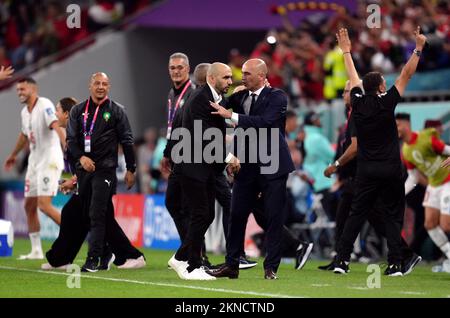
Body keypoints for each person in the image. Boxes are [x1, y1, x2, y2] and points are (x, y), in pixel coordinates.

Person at [333, 27, 427, 276]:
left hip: (366, 169)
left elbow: (353, 77)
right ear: (382, 86)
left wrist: (346, 51)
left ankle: (342, 261)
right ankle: (395, 263)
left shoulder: (358, 103)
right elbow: (406, 74)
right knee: (392, 216)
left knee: (356, 215)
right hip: (390, 169)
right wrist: (418, 48)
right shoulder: (388, 102)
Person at [319, 82, 420, 275]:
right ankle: (342, 257)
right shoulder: (352, 114)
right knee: (355, 216)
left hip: (364, 175)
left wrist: (336, 166)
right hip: (363, 174)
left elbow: (354, 147)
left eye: (347, 91)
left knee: (363, 217)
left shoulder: (360, 111)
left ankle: (344, 258)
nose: (343, 94)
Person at [209, 58, 295, 279]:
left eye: (247, 73)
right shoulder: (240, 96)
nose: (242, 77)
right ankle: (231, 264)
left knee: (274, 216)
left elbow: (265, 122)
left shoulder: (277, 97)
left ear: (261, 76)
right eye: (242, 73)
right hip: (246, 167)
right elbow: (219, 106)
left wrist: (232, 116)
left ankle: (271, 267)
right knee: (236, 214)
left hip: (273, 166)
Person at [42, 97, 145, 270]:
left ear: (67, 114)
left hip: (101, 178)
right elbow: (82, 164)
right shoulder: (73, 135)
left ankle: (129, 255)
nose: (55, 114)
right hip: (87, 181)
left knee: (93, 216)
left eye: (57, 110)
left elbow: (93, 159)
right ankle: (65, 258)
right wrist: (74, 182)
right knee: (83, 215)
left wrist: (130, 168)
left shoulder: (81, 134)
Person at [168, 62, 239, 280]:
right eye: (226, 78)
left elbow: (225, 110)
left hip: (204, 167)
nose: (230, 81)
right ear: (212, 78)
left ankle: (180, 257)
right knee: (200, 214)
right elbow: (203, 135)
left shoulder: (213, 97)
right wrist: (228, 158)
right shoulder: (200, 98)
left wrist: (238, 94)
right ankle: (192, 266)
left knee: (206, 214)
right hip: (191, 167)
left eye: (230, 78)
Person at [66, 72, 136, 272]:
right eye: (97, 83)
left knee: (96, 213)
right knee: (95, 215)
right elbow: (70, 140)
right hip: (84, 170)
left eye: (104, 84)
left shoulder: (116, 111)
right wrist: (81, 158)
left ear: (109, 87)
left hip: (105, 169)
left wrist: (131, 168)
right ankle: (106, 254)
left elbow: (127, 140)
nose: (100, 87)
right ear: (90, 85)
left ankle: (93, 259)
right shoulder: (78, 111)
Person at [4, 77, 65, 260]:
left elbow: (55, 125)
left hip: (50, 160)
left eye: (22, 89)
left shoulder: (44, 104)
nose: (20, 93)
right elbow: (24, 135)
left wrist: (66, 143)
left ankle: (74, 233)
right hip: (34, 163)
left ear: (33, 88)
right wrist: (14, 155)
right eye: (18, 90)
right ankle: (36, 250)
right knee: (29, 205)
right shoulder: (25, 112)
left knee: (44, 206)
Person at [396, 112, 450, 272]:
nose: (395, 129)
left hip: (447, 180)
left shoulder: (425, 138)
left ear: (406, 125)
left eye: (398, 125)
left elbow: (447, 150)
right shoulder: (405, 151)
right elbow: (413, 177)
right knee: (430, 224)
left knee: (446, 224)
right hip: (434, 185)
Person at [161, 53, 194, 252]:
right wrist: (167, 153)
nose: (176, 71)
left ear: (188, 69)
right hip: (177, 157)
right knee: (174, 203)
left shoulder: (193, 93)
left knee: (189, 208)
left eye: (180, 67)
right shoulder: (171, 94)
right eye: (173, 68)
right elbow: (172, 127)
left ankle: (195, 252)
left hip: (191, 157)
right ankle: (191, 249)